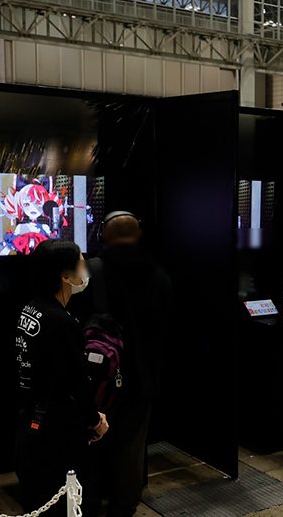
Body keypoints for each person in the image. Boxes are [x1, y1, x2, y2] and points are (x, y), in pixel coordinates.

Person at [71, 213, 171, 517]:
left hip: (98, 375)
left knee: (91, 439)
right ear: (137, 234)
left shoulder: (92, 270)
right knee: (131, 446)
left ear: (104, 235)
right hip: (141, 377)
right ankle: (123, 505)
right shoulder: (159, 274)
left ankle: (89, 502)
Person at [15, 240, 107, 516]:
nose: (86, 270)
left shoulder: (31, 309)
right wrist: (94, 420)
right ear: (65, 276)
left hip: (32, 420)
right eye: (81, 264)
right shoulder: (61, 321)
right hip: (58, 431)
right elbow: (76, 380)